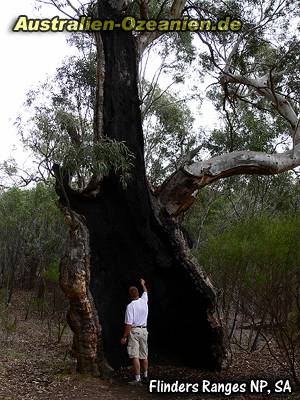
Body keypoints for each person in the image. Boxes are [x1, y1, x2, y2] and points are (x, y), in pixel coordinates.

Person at [121, 278, 148, 384]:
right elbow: (146, 291)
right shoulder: (144, 301)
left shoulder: (130, 306)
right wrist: (143, 284)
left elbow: (128, 324)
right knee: (144, 355)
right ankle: (145, 376)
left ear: (130, 295)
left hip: (134, 332)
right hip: (144, 331)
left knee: (135, 356)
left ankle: (137, 379)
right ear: (138, 293)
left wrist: (124, 337)